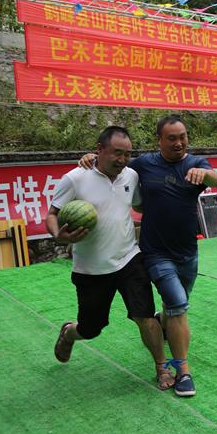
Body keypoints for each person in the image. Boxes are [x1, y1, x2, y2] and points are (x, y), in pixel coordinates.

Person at [80, 116, 217, 397]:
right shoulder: (143, 164)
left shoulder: (195, 164)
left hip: (188, 253)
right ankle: (182, 370)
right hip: (155, 252)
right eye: (171, 138)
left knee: (175, 308)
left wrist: (204, 176)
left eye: (182, 136)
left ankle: (166, 321)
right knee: (178, 305)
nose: (178, 142)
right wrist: (91, 159)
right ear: (159, 140)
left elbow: (214, 176)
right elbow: (112, 166)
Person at [51, 127, 170, 390]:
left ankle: (162, 367)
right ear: (99, 149)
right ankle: (70, 332)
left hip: (129, 258)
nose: (123, 159)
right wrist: (60, 236)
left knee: (146, 316)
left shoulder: (132, 175)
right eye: (117, 153)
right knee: (91, 328)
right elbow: (52, 214)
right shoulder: (75, 178)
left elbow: (138, 204)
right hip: (90, 269)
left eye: (127, 154)